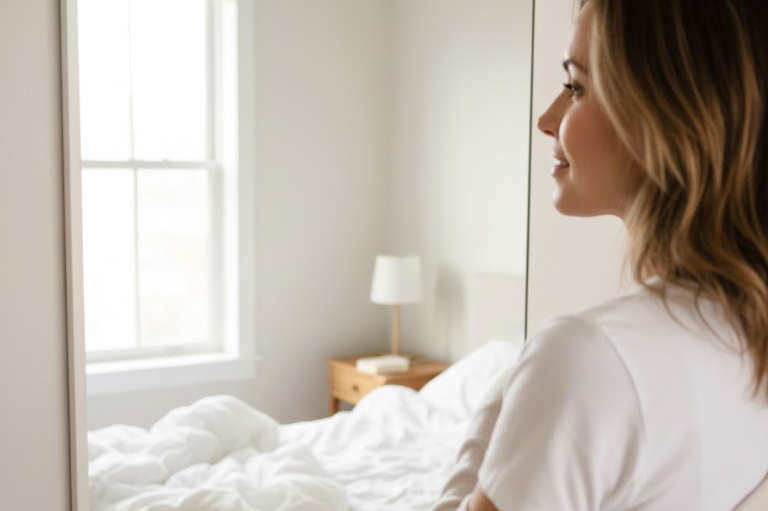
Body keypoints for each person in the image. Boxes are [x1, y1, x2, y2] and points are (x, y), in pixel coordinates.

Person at [458, 0, 768, 509]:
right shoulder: (745, 334)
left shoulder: (590, 359)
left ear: (667, 115)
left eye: (576, 87)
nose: (547, 119)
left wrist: (491, 420)